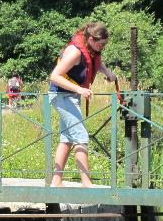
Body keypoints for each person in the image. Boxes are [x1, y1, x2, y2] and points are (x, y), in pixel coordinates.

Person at [49, 22, 117, 187]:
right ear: (92, 39)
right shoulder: (74, 52)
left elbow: (96, 62)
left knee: (67, 139)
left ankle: (56, 181)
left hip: (71, 96)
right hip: (61, 95)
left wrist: (107, 72)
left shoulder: (92, 50)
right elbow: (54, 76)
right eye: (101, 44)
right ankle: (86, 183)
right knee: (81, 136)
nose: (103, 47)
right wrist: (79, 90)